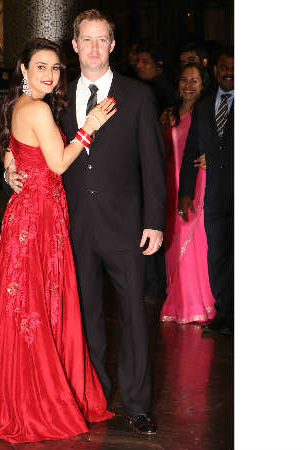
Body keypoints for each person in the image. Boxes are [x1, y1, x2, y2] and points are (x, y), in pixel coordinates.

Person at [0, 38, 117, 443]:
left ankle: (19, 391)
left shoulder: (17, 106)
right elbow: (59, 163)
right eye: (41, 67)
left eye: (55, 68)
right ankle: (35, 399)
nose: (50, 75)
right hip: (39, 218)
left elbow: (12, 154)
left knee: (23, 305)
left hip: (26, 216)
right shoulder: (39, 109)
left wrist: (8, 171)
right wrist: (89, 127)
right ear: (24, 70)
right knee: (35, 304)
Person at [57, 9, 166, 434]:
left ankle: (138, 405)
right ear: (74, 45)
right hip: (75, 225)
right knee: (85, 316)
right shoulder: (58, 97)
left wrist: (154, 221)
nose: (94, 48)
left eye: (102, 39)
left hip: (126, 226)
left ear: (113, 45)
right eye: (86, 39)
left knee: (134, 317)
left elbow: (153, 164)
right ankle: (93, 398)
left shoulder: (137, 96)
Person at [178, 47, 234, 336]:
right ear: (215, 70)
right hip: (215, 197)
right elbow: (191, 149)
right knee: (218, 257)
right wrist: (185, 192)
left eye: (234, 67)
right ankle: (224, 316)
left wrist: (218, 158)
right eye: (224, 67)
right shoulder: (203, 106)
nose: (229, 72)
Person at [159, 63, 216, 325]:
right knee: (172, 241)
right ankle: (178, 301)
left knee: (193, 240)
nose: (188, 85)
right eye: (184, 80)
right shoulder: (168, 114)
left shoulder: (208, 112)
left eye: (194, 80)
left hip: (195, 182)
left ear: (204, 84)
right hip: (169, 183)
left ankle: (198, 302)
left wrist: (212, 157)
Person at [135, 39, 176, 115]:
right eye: (138, 61)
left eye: (145, 62)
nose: (138, 65)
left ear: (159, 65)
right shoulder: (149, 85)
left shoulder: (161, 90)